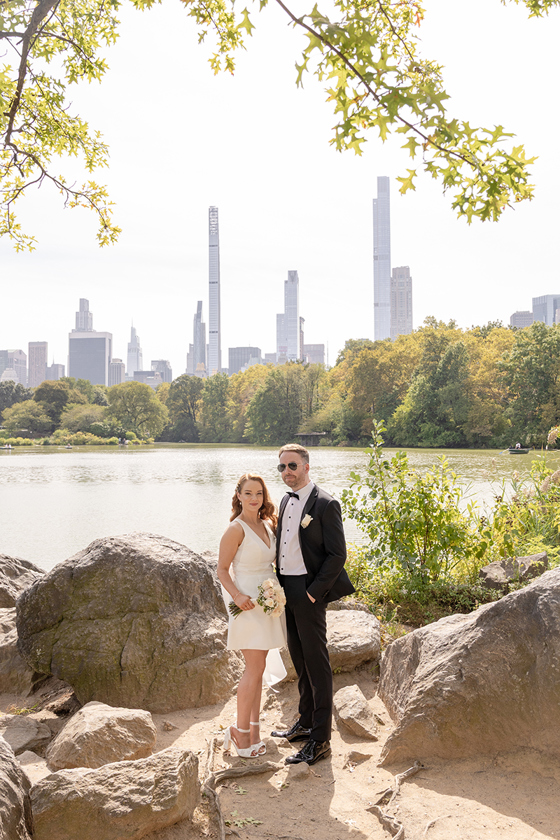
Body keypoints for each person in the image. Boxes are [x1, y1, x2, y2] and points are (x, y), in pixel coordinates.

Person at [271, 443, 355, 766]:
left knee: (317, 664)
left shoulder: (326, 504)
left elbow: (338, 555)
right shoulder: (283, 500)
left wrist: (312, 592)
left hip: (308, 590)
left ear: (306, 466)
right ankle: (305, 722)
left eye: (292, 466)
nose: (287, 472)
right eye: (282, 467)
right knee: (299, 659)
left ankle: (320, 740)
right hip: (284, 590)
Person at [217, 473, 287, 758]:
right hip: (246, 603)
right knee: (253, 669)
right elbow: (222, 569)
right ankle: (239, 732)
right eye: (248, 493)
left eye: (258, 493)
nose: (254, 498)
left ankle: (253, 732)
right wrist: (237, 596)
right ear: (238, 496)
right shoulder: (236, 529)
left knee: (258, 671)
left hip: (268, 602)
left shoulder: (268, 525)